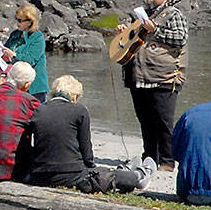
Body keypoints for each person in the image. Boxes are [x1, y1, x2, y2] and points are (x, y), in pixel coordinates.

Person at [14, 74, 154, 193]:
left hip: (40, 175)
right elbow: (86, 149)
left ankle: (127, 170)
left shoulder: (38, 110)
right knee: (107, 174)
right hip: (71, 174)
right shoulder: (79, 111)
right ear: (73, 97)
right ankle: (139, 176)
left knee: (100, 172)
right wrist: (90, 165)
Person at [118, 0, 187, 170]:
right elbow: (134, 38)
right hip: (138, 76)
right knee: (145, 120)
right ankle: (150, 157)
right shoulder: (142, 15)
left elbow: (180, 38)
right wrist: (125, 32)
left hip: (163, 77)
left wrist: (156, 30)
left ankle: (167, 160)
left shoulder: (174, 14)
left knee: (163, 121)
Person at [2, 4, 49, 102]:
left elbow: (31, 59)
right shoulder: (15, 34)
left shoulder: (37, 37)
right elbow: (5, 49)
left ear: (30, 22)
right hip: (16, 83)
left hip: (34, 87)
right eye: (16, 19)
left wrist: (13, 55)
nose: (17, 23)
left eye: (20, 20)